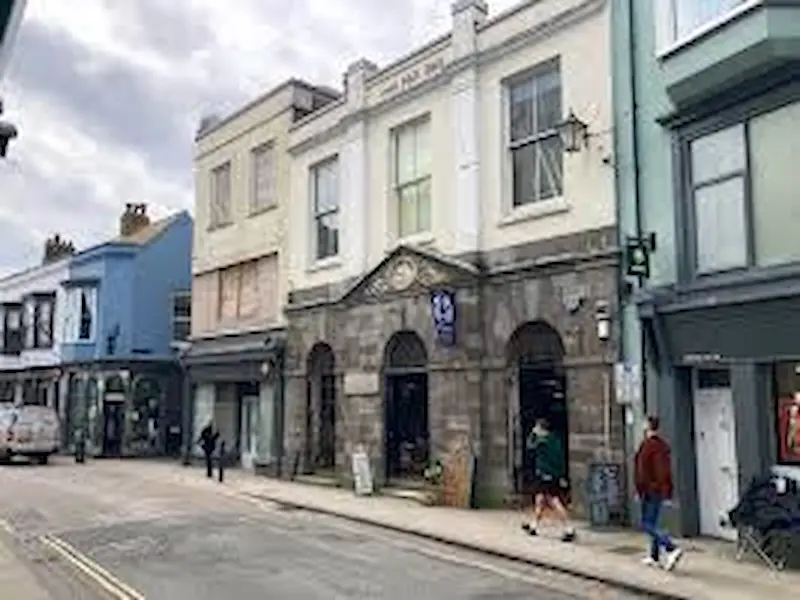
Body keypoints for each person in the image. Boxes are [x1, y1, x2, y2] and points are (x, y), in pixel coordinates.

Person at [635, 415, 683, 571]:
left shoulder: (648, 446)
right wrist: (667, 490)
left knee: (647, 524)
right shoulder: (661, 445)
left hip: (650, 490)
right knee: (653, 521)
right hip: (658, 489)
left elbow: (642, 471)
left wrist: (641, 489)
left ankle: (670, 547)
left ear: (648, 426)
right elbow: (665, 471)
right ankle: (654, 556)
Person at [521, 417, 575, 542]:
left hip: (545, 474)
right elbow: (560, 459)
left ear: (541, 429)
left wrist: (533, 433)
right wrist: (561, 475)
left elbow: (530, 446)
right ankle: (533, 525)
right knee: (539, 499)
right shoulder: (555, 440)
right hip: (553, 474)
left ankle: (569, 528)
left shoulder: (542, 441)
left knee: (554, 501)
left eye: (537, 428)